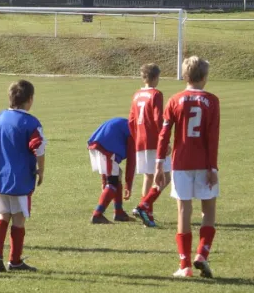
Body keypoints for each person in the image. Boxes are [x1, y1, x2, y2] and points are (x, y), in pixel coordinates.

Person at [155, 56, 220, 278]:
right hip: (204, 163)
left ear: (185, 76)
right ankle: (202, 254)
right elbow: (213, 137)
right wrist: (213, 168)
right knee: (208, 209)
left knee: (184, 210)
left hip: (180, 163)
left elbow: (164, 135)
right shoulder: (212, 101)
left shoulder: (174, 100)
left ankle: (184, 265)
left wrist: (158, 165)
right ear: (204, 77)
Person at [0, 80, 46, 273]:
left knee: (2, 215)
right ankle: (15, 260)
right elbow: (39, 147)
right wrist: (41, 170)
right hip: (20, 178)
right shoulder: (31, 122)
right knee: (18, 218)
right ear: (30, 100)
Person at [128, 64, 171, 227]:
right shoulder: (156, 94)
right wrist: (165, 141)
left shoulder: (137, 95)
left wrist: (137, 137)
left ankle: (148, 214)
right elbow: (158, 119)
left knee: (148, 176)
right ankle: (143, 207)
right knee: (166, 177)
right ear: (155, 78)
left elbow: (131, 120)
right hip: (154, 140)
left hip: (140, 140)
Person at [88, 117, 136, 224]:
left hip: (96, 145)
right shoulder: (134, 130)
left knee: (117, 174)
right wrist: (128, 185)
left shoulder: (125, 123)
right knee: (113, 182)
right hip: (105, 149)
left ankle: (119, 212)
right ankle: (97, 214)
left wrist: (104, 180)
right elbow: (131, 161)